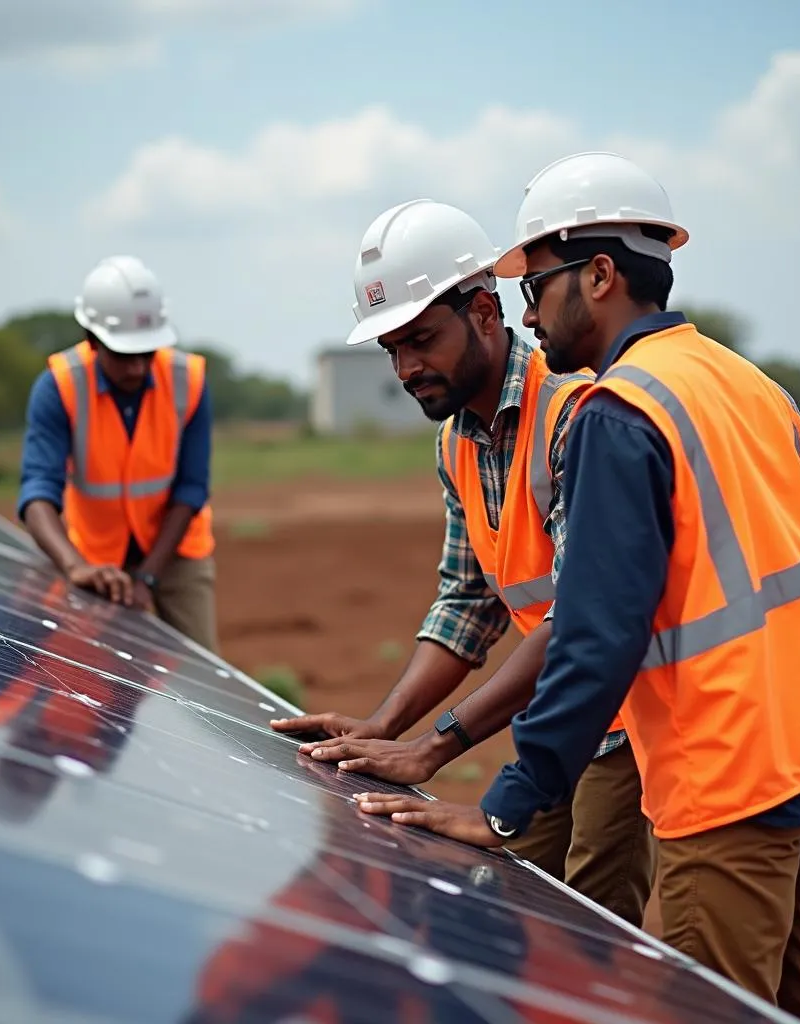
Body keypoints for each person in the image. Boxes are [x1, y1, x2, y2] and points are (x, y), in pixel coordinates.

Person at [353, 152, 800, 1021]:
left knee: (708, 1006)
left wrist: (503, 808)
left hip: (733, 767)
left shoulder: (615, 413)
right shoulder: (746, 382)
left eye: (537, 285)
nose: (530, 312)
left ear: (600, 274)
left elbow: (595, 632)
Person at [271, 198, 655, 927]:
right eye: (391, 349)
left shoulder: (578, 413)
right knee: (526, 912)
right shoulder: (458, 443)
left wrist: (432, 748)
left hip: (624, 715)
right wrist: (384, 728)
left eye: (420, 340)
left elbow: (583, 613)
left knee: (593, 935)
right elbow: (467, 605)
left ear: (485, 312)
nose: (406, 368)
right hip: (555, 717)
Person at [17, 254, 218, 652]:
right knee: (101, 678)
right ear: (92, 340)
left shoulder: (188, 380)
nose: (139, 368)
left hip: (176, 553)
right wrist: (75, 568)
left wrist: (147, 577)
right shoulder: (59, 386)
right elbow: (38, 489)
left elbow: (191, 488)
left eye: (149, 352)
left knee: (202, 668)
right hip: (96, 560)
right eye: (125, 354)